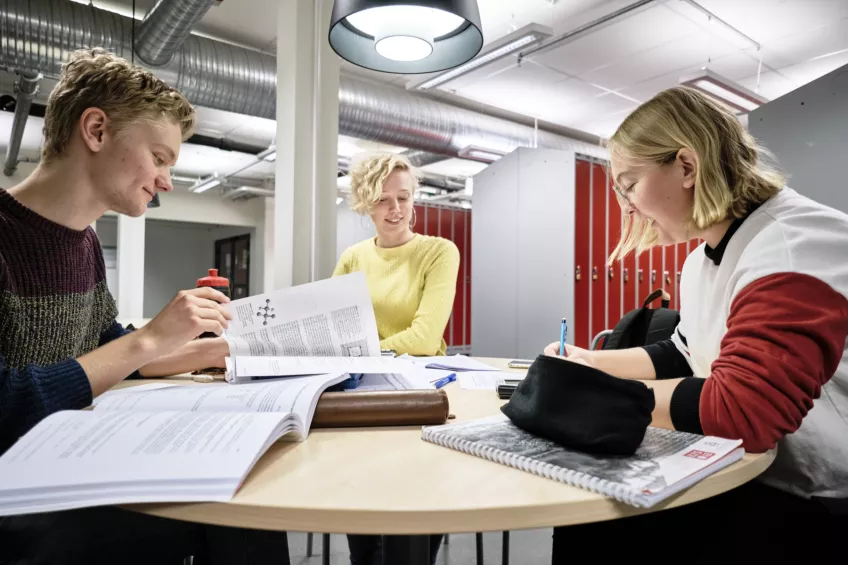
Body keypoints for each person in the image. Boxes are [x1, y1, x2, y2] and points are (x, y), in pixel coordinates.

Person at [0, 48, 288, 565]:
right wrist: (150, 338)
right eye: (159, 158)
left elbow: (105, 346)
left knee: (250, 495)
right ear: (96, 130)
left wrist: (213, 352)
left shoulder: (84, 244)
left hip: (66, 462)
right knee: (232, 514)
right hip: (15, 495)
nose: (166, 181)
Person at [544, 86, 847, 564]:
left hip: (816, 500)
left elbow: (744, 410)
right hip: (750, 473)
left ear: (686, 166)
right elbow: (683, 354)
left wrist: (592, 395)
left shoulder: (793, 245)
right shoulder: (701, 260)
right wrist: (589, 362)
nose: (627, 208)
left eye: (629, 185)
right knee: (589, 523)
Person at [333, 152, 460, 564]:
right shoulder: (354, 257)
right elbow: (332, 326)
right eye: (384, 199)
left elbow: (425, 338)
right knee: (364, 532)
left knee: (409, 534)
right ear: (366, 203)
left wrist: (366, 353)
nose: (396, 210)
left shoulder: (440, 252)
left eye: (404, 198)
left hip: (417, 395)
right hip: (362, 397)